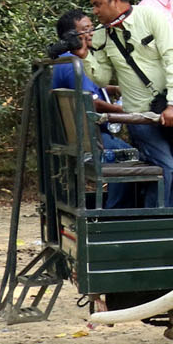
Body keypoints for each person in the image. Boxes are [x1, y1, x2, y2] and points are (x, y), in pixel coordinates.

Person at [85, 0, 173, 208]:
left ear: (115, 0)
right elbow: (101, 77)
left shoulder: (150, 17)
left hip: (168, 109)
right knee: (164, 168)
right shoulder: (102, 35)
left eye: (98, 4)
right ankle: (151, 225)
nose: (95, 11)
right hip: (139, 115)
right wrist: (84, 56)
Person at [51, 10, 134, 207]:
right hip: (92, 141)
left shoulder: (64, 60)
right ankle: (117, 214)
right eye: (86, 29)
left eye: (92, 28)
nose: (92, 32)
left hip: (80, 138)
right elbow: (92, 102)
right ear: (72, 36)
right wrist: (126, 110)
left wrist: (113, 88)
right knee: (133, 158)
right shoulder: (75, 64)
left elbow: (90, 89)